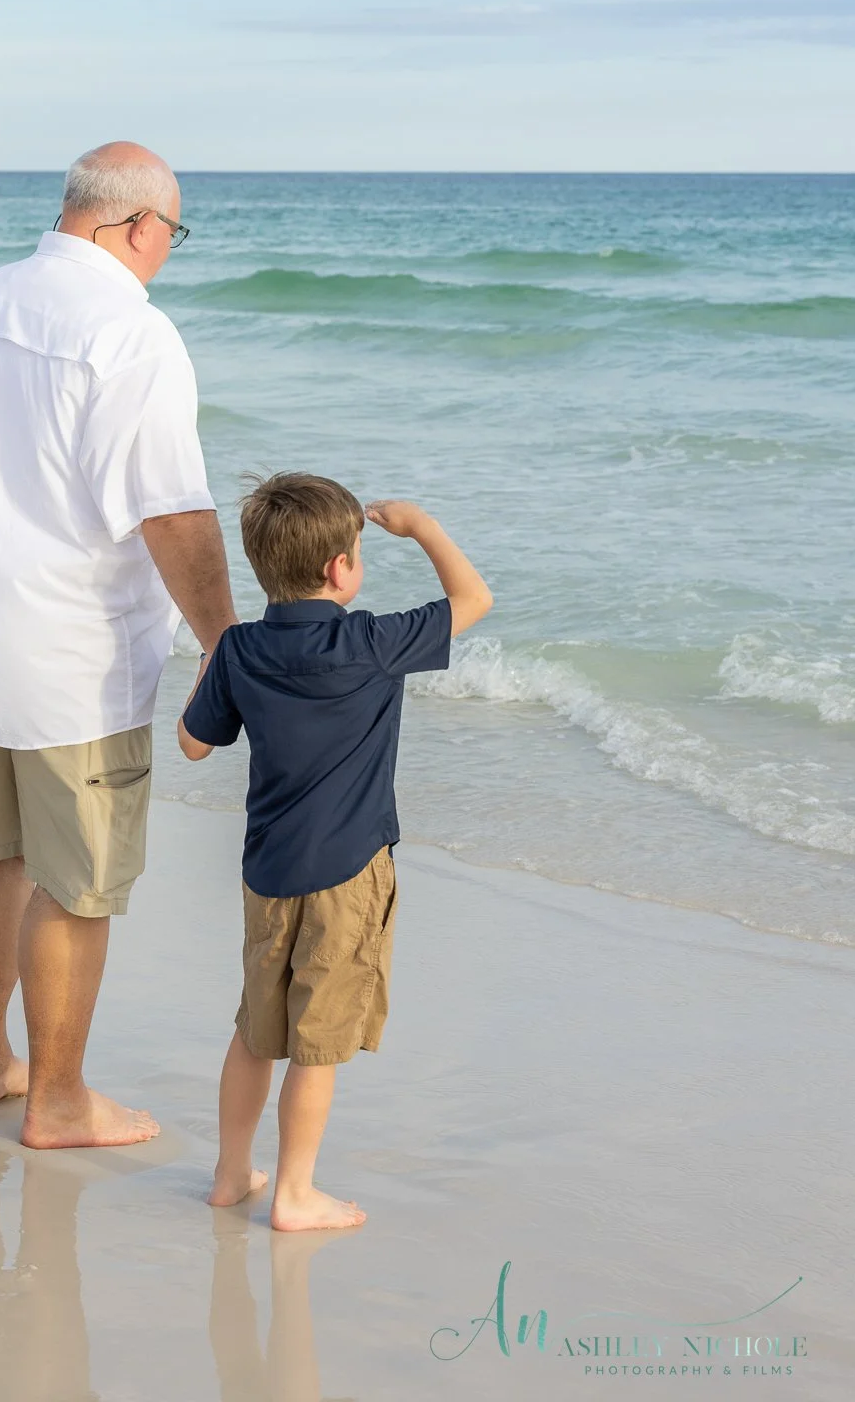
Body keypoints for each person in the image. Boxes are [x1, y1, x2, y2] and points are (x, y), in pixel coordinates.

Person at [0, 141, 237, 1150]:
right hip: (68, 653)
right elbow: (172, 512)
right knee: (75, 883)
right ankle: (54, 1099)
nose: (167, 251)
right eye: (171, 234)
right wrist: (225, 643)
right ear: (139, 226)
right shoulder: (130, 331)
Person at [178, 473, 492, 1230]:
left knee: (257, 1028)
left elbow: (193, 743)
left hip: (268, 872)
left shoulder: (241, 648)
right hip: (348, 873)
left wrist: (214, 664)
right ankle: (293, 1193)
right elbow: (474, 600)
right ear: (341, 569)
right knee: (316, 1043)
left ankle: (230, 1176)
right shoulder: (372, 643)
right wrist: (419, 526)